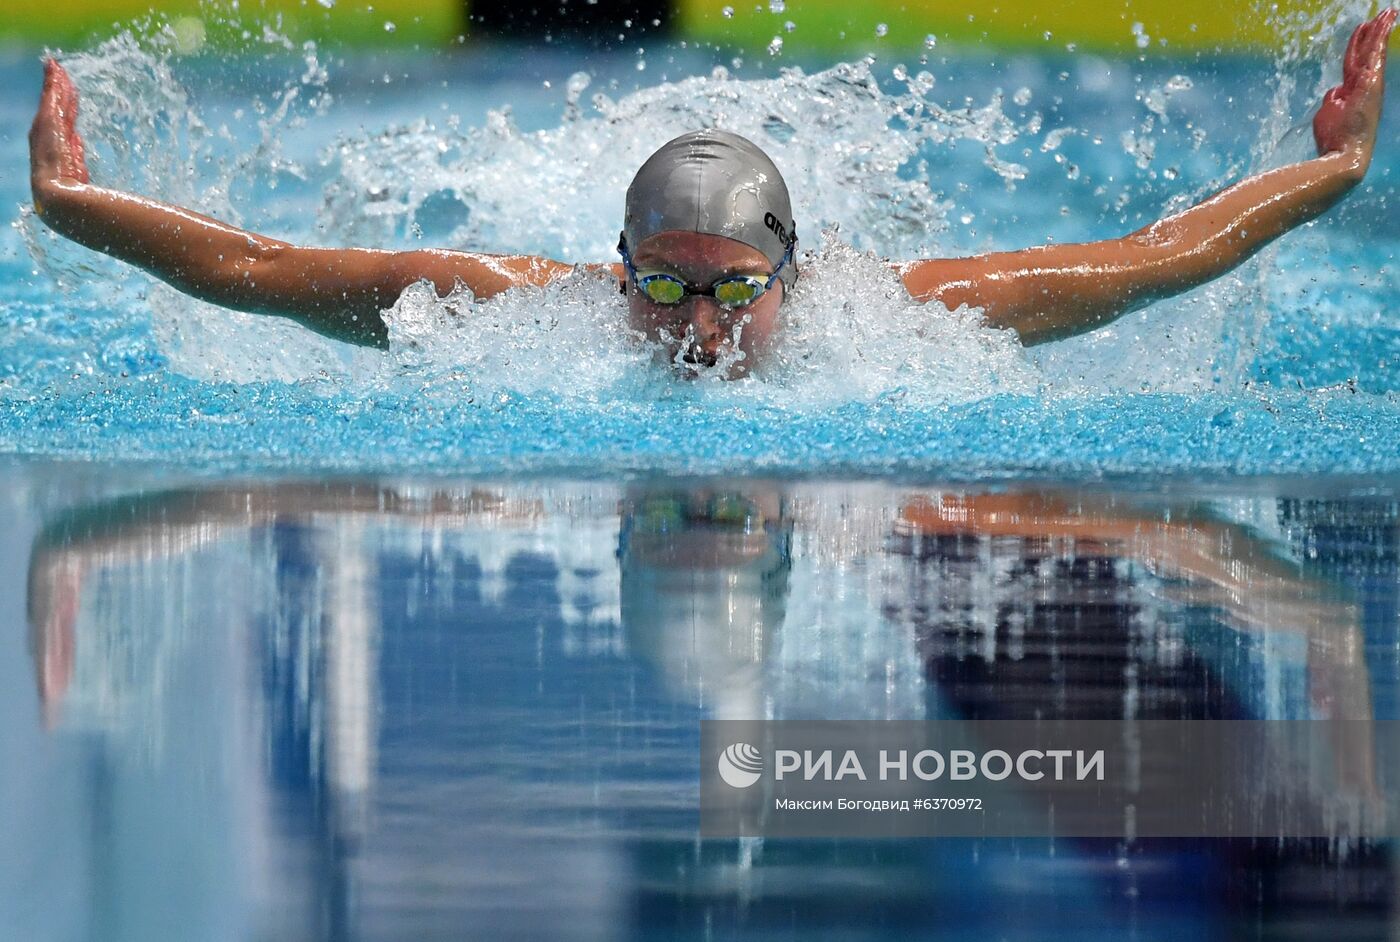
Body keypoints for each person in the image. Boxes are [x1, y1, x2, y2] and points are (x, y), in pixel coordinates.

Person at [27, 11, 1395, 378]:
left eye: (735, 292)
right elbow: (265, 268)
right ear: (618, 269)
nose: (698, 331)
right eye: (666, 287)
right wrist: (77, 209)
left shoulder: (912, 325)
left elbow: (1155, 254)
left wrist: (1333, 174)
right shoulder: (518, 318)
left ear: (792, 275)